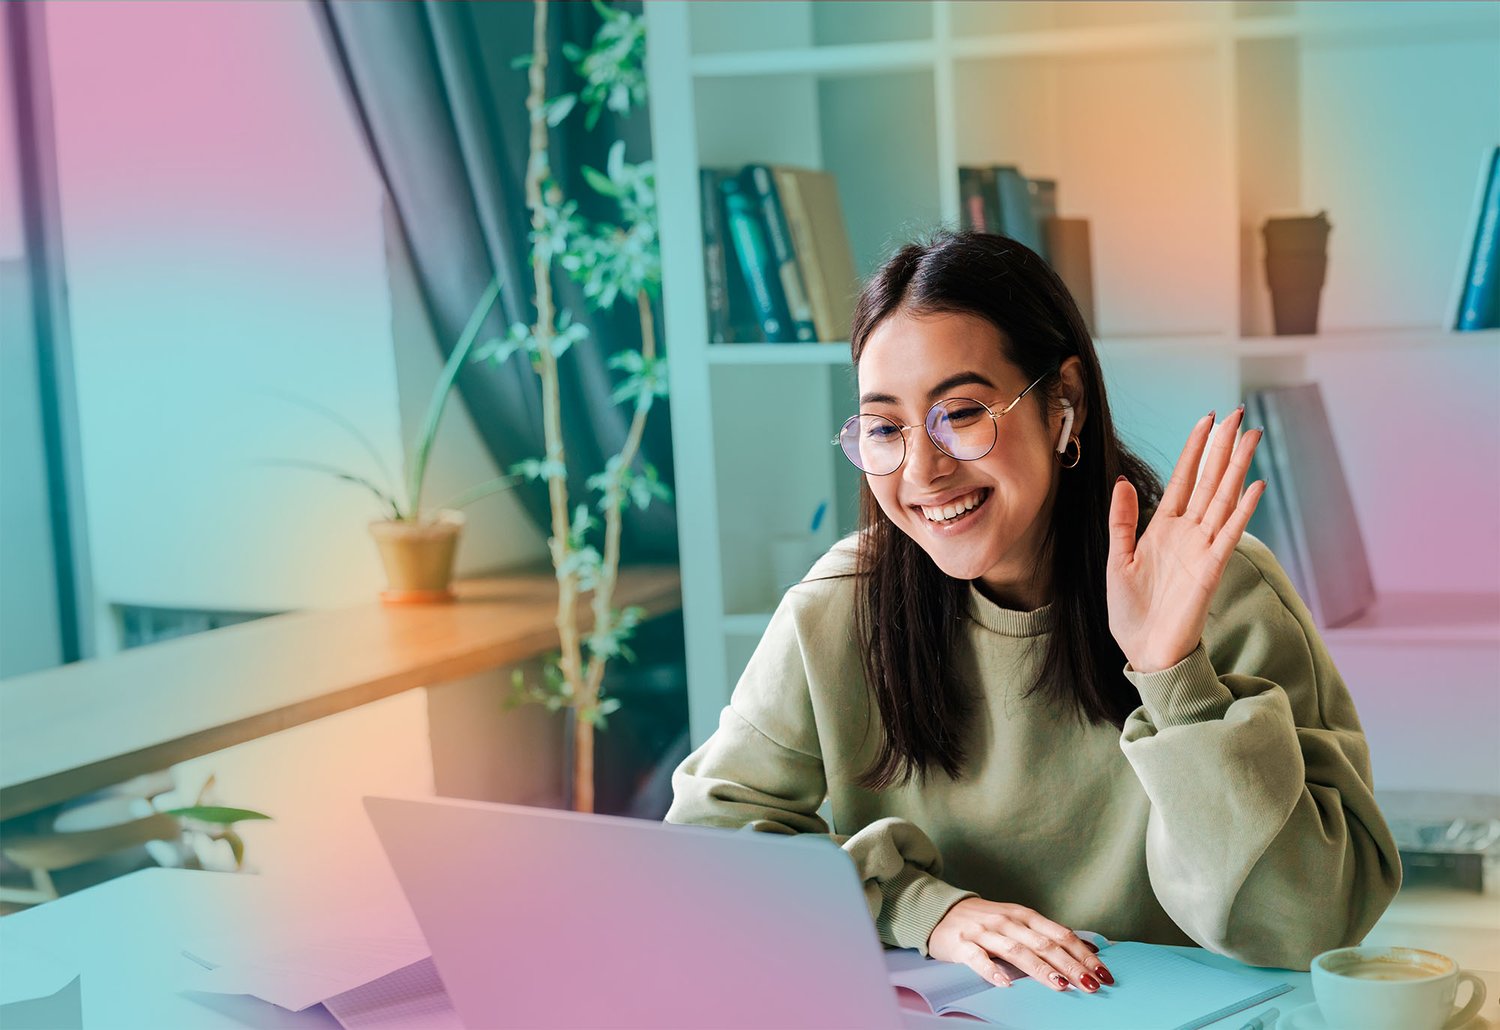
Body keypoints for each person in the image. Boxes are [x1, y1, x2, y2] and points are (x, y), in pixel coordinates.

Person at [665, 230, 1401, 991]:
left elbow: (1309, 925)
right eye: (885, 427)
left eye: (962, 411)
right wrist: (918, 908)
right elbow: (704, 858)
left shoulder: (1223, 590)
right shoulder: (841, 605)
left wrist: (1171, 674)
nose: (923, 469)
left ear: (1063, 405)